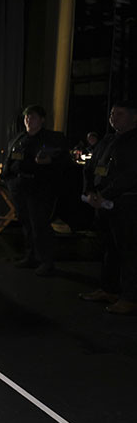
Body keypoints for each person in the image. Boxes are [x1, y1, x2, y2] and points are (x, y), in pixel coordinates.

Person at [80, 101, 137, 315]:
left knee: (128, 251)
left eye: (120, 114)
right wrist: (89, 191)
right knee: (108, 248)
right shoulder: (108, 139)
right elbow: (91, 166)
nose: (114, 117)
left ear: (134, 117)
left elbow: (130, 175)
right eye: (112, 113)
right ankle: (109, 289)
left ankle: (130, 297)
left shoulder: (134, 141)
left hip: (126, 203)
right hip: (101, 202)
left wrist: (104, 193)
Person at [2, 104, 68, 276]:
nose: (29, 120)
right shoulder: (19, 139)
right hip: (19, 187)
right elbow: (9, 160)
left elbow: (61, 160)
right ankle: (31, 256)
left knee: (40, 225)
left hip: (39, 188)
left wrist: (49, 162)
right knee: (27, 224)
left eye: (33, 117)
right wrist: (8, 179)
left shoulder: (51, 138)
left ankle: (46, 261)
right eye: (27, 117)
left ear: (42, 120)